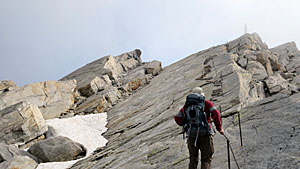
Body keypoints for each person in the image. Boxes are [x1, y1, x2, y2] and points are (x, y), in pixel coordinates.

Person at [174, 87, 224, 169]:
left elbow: (177, 118)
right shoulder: (206, 103)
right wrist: (219, 128)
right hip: (205, 134)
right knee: (206, 159)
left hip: (191, 135)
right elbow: (216, 114)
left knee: (193, 159)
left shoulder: (186, 106)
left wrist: (186, 124)